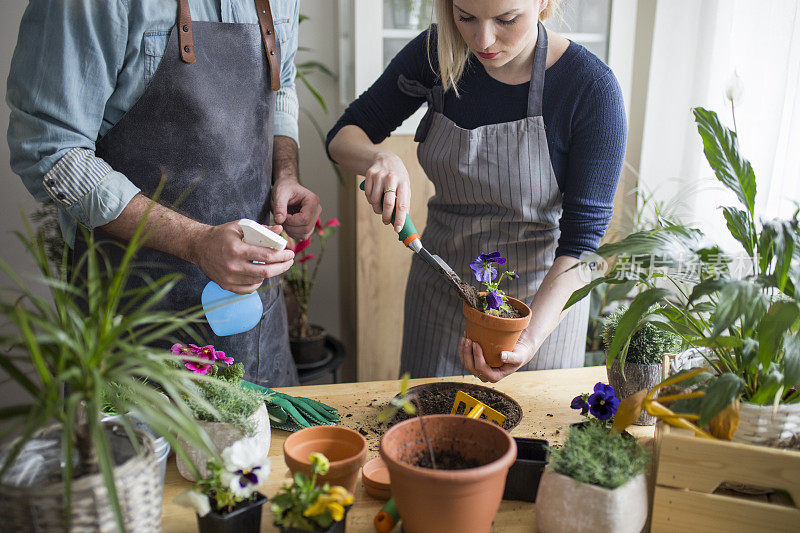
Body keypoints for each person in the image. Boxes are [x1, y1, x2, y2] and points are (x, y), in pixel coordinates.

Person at [6, 0, 320, 387]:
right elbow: (51, 149)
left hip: (255, 328)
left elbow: (282, 86)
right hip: (132, 329)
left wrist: (286, 174)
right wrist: (196, 242)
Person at [327, 0, 626, 382]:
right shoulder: (437, 53)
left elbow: (582, 251)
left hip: (539, 306)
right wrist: (378, 157)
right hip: (440, 299)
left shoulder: (589, 89)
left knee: (532, 438)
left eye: (506, 19)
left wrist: (526, 340)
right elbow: (343, 136)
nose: (482, 40)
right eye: (465, 16)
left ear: (543, 3)